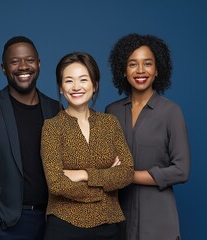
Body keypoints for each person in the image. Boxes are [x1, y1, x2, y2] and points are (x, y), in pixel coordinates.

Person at [0, 36, 61, 240]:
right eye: (15, 61)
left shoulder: (55, 109)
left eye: (29, 60)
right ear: (3, 68)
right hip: (8, 223)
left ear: (39, 64)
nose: (23, 66)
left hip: (51, 221)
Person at [105, 34, 190, 240]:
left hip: (159, 222)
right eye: (133, 64)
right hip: (119, 219)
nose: (140, 70)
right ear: (123, 71)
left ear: (157, 69)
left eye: (148, 63)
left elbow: (181, 170)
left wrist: (128, 175)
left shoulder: (171, 112)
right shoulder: (112, 112)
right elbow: (105, 162)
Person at [41, 52, 134, 240]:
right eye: (68, 81)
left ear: (95, 84)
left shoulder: (110, 123)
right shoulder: (51, 127)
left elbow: (127, 172)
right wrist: (105, 183)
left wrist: (84, 175)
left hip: (109, 224)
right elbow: (56, 184)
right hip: (64, 225)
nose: (76, 87)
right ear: (60, 87)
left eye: (83, 80)